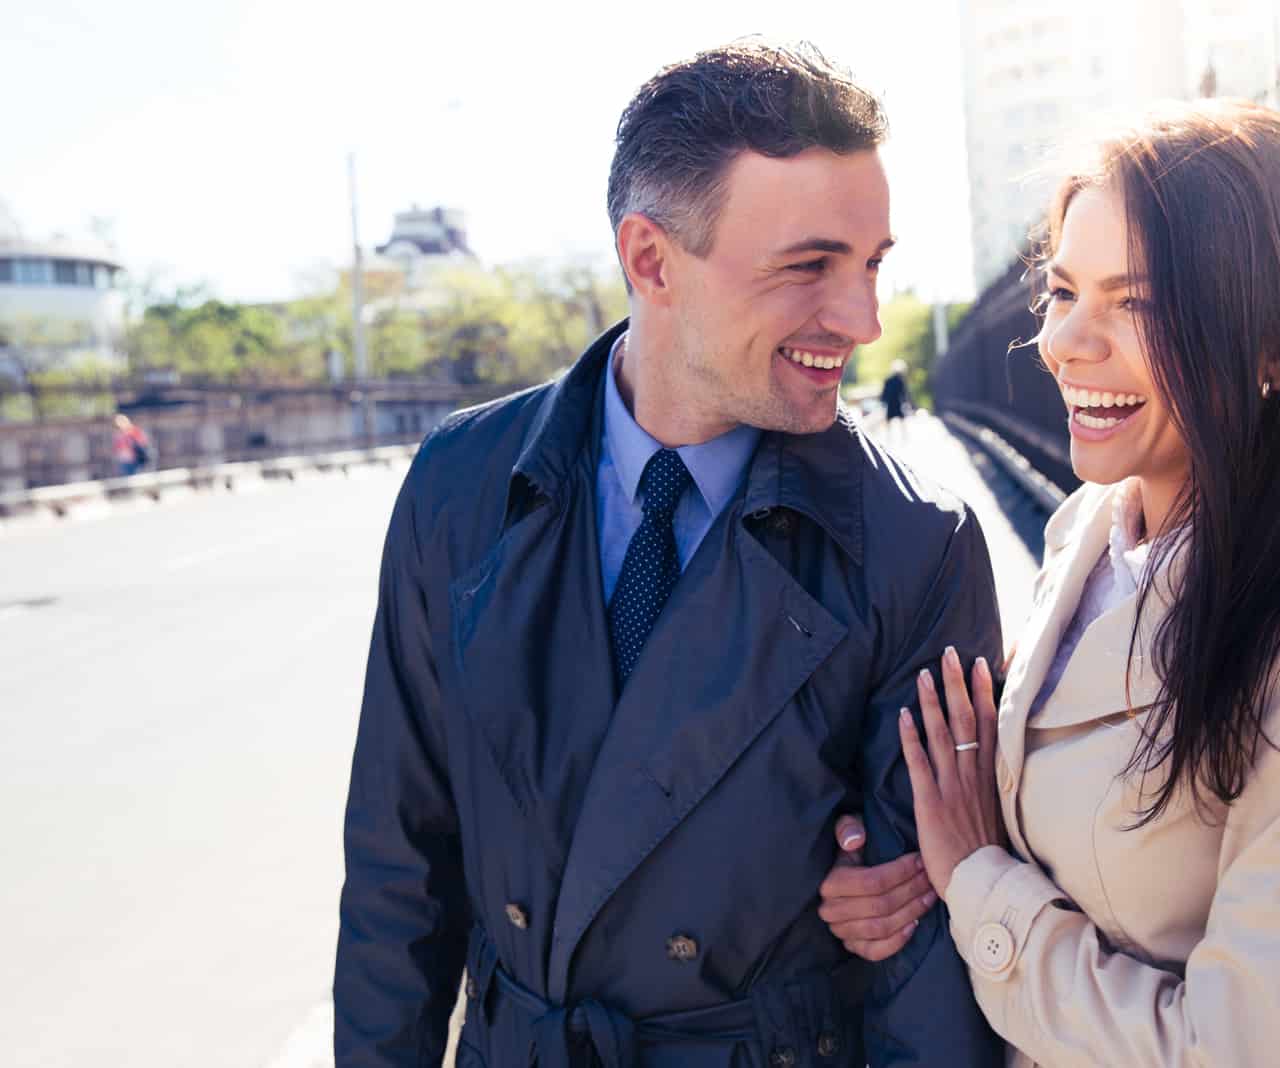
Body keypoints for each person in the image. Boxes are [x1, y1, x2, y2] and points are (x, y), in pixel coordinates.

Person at [334, 42, 1006, 1068]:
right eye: (808, 267)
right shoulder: (458, 483)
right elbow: (399, 871)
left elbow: (923, 970)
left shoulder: (917, 543)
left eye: (872, 266)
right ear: (651, 260)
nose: (862, 321)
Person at [816, 100, 1280, 1067]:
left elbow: (1241, 1051)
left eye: (1137, 302)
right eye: (1062, 291)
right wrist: (907, 874)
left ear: (1275, 349)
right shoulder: (1093, 531)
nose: (1066, 342)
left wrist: (981, 883)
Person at [878, 358, 910, 441]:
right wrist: (906, 402)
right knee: (901, 421)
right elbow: (903, 393)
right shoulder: (900, 380)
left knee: (890, 421)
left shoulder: (888, 380)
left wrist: (883, 401)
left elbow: (884, 393)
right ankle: (903, 437)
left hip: (891, 403)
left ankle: (890, 438)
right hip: (897, 403)